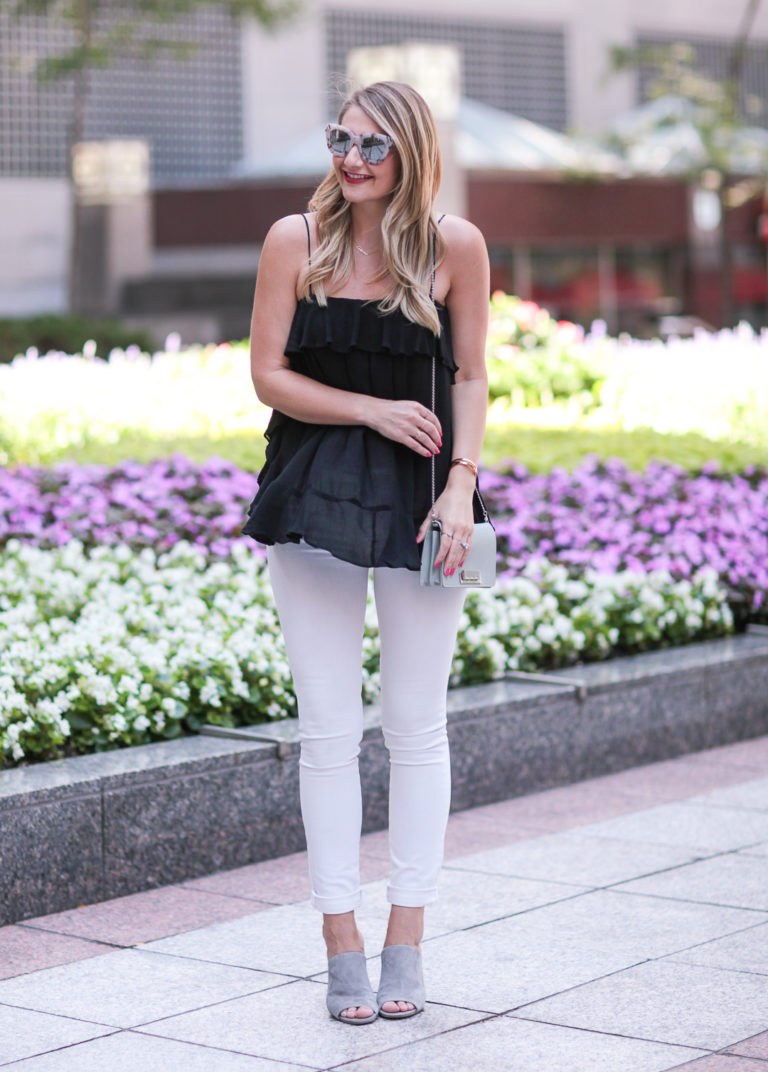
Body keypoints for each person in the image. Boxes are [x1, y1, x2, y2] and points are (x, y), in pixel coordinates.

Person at [243, 80, 489, 1024]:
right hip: (312, 493)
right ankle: (339, 936)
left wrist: (465, 482)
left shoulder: (456, 246)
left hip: (430, 500)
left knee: (418, 725)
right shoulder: (293, 241)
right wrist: (369, 409)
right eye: (341, 138)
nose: (350, 158)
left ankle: (407, 938)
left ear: (414, 153)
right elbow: (268, 373)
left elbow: (470, 374)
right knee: (328, 729)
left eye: (373, 146)